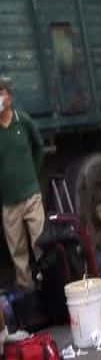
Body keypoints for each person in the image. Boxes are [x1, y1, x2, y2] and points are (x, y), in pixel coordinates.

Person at [0, 77, 45, 290]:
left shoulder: (22, 120)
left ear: (10, 96)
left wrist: (32, 176)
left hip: (31, 196)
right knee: (17, 251)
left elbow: (39, 147)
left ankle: (49, 279)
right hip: (9, 202)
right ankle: (27, 289)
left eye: (1, 92)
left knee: (41, 241)